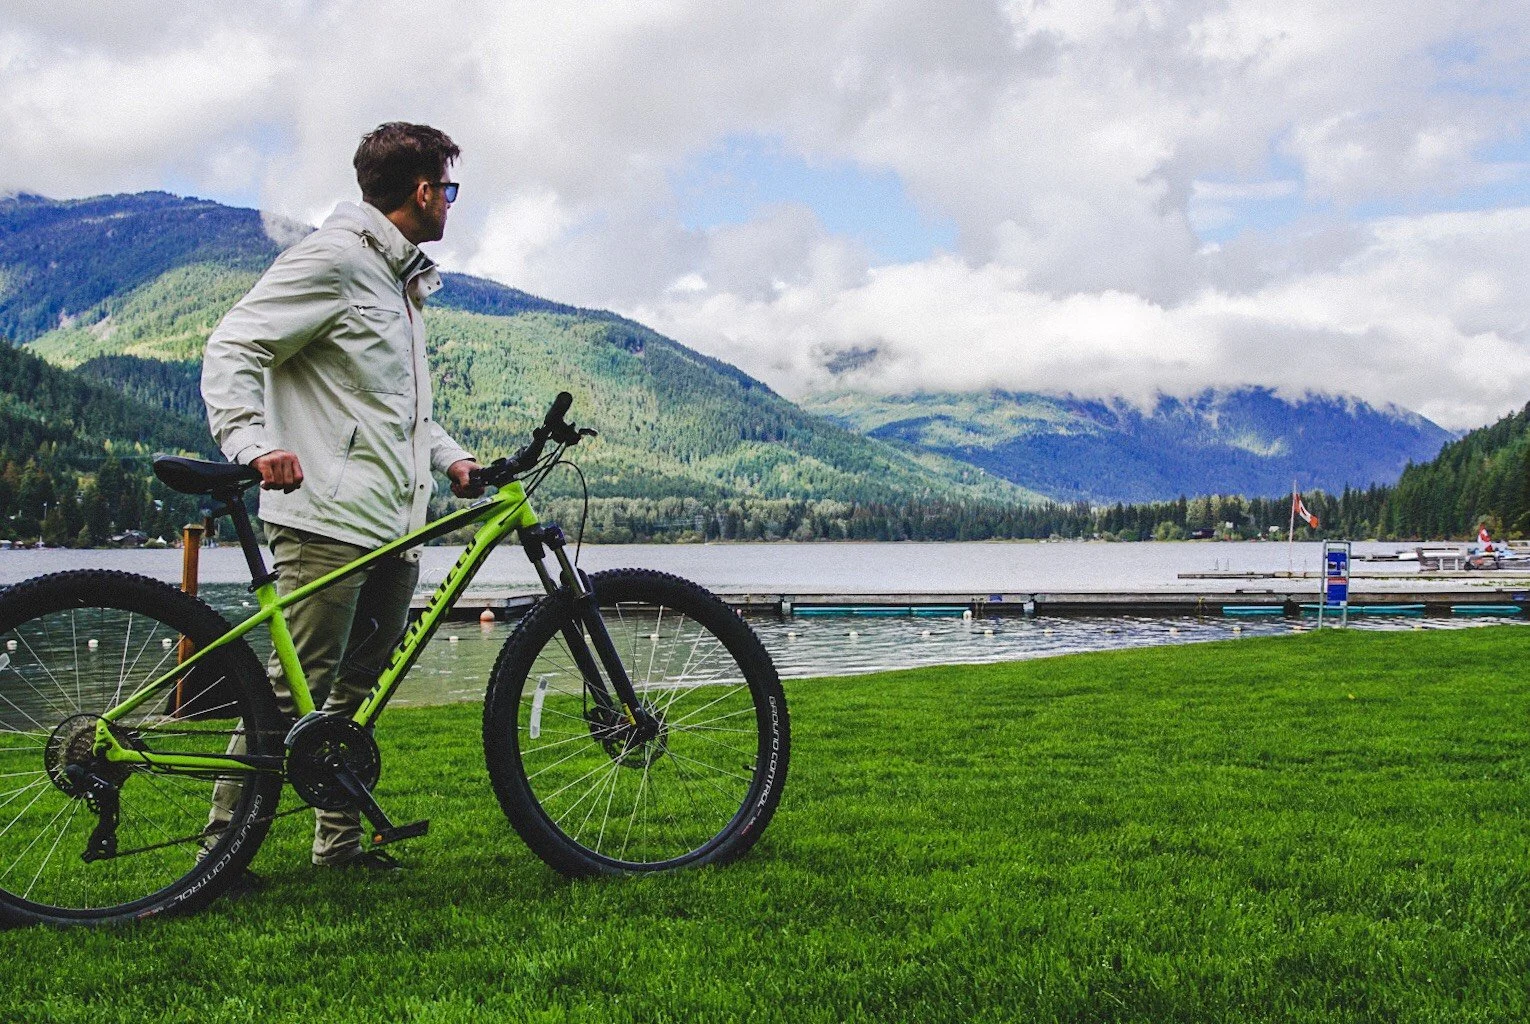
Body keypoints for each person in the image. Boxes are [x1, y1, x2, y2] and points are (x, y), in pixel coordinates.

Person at [200, 122, 482, 870]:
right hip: (325, 518)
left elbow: (391, 408)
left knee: (354, 693)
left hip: (394, 525)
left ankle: (340, 845)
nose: (451, 203)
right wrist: (253, 444)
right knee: (292, 694)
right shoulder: (334, 260)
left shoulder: (397, 283)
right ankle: (219, 853)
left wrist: (452, 459)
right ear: (423, 192)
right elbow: (234, 343)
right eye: (447, 189)